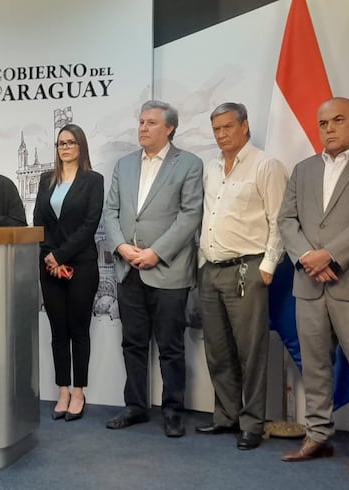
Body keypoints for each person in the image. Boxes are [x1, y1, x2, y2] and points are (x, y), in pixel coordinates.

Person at [278, 97, 349, 476]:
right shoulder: (304, 168)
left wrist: (330, 255)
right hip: (308, 283)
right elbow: (286, 219)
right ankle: (318, 436)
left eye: (338, 120)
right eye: (323, 122)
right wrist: (309, 256)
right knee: (315, 366)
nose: (329, 128)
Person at [103, 100, 203, 437]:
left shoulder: (189, 164)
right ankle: (135, 406)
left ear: (169, 128)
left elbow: (190, 215)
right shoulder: (124, 165)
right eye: (141, 122)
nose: (143, 128)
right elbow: (111, 211)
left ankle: (173, 411)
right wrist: (120, 246)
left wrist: (156, 253)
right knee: (132, 343)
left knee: (171, 347)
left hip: (168, 271)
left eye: (151, 123)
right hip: (129, 268)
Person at [195, 103, 288, 450]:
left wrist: (268, 267)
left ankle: (252, 422)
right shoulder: (210, 168)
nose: (221, 135)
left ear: (245, 126)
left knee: (251, 352)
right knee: (217, 351)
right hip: (212, 270)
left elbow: (279, 219)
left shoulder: (266, 165)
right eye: (216, 129)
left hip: (248, 270)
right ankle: (226, 416)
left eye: (228, 127)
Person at [33, 124, 103, 422]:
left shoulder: (93, 180)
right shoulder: (46, 180)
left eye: (71, 142)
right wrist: (51, 257)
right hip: (49, 266)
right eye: (61, 143)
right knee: (58, 332)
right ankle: (62, 390)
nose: (65, 147)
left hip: (82, 265)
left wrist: (61, 255)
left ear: (81, 146)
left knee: (79, 330)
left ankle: (78, 391)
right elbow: (38, 221)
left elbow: (89, 225)